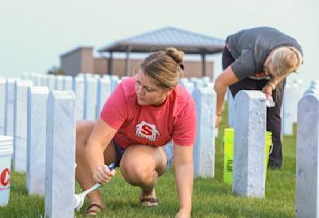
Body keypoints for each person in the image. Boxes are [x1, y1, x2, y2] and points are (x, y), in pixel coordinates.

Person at [75, 47, 197, 217]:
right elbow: (96, 142)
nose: (139, 90)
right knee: (77, 132)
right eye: (138, 82)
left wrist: (185, 210)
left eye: (148, 89)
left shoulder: (182, 105)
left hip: (156, 150)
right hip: (118, 142)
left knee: (134, 166)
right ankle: (96, 202)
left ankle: (148, 190)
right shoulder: (126, 90)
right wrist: (97, 168)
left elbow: (184, 163)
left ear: (168, 90)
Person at [214, 27, 303, 169]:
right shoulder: (249, 60)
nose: (265, 73)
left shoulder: (294, 56)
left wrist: (272, 83)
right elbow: (220, 83)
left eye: (269, 73)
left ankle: (273, 164)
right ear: (270, 57)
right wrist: (217, 114)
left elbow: (283, 71)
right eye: (266, 69)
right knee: (249, 111)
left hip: (271, 62)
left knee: (273, 114)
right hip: (235, 55)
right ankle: (247, 161)